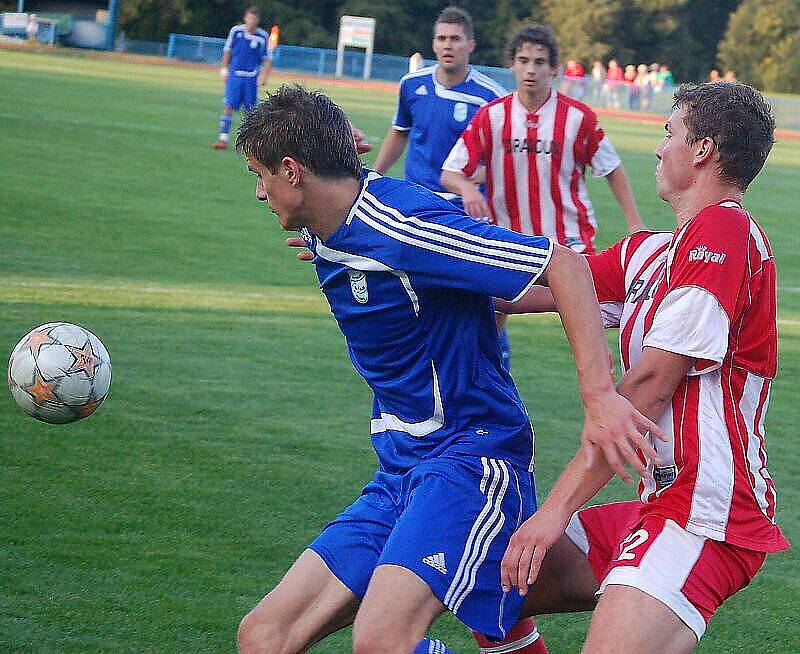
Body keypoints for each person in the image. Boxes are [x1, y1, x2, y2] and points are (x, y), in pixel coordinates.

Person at [233, 84, 661, 654]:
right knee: (263, 636)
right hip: (399, 473)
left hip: (472, 457)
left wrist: (599, 396)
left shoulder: (399, 225)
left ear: (292, 171)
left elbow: (562, 265)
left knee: (382, 639)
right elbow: (418, 262)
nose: (259, 192)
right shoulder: (328, 225)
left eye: (262, 175)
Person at [496, 82, 789, 653]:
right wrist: (390, 254)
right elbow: (524, 285)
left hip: (708, 516)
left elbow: (650, 387)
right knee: (489, 579)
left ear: (702, 150)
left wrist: (553, 511)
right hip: (662, 504)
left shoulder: (724, 229)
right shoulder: (650, 252)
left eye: (668, 134)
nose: (658, 149)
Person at [440, 25, 643, 369]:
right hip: (510, 238)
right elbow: (450, 171)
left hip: (569, 240)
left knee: (591, 336)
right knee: (488, 321)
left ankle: (611, 401)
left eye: (539, 61)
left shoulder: (577, 118)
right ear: (512, 65)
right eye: (523, 61)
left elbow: (612, 167)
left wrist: (634, 222)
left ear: (554, 69)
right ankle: (484, 397)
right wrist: (469, 188)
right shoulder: (493, 116)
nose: (531, 69)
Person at [373, 6, 505, 209]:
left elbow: (505, 159)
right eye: (442, 39)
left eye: (455, 39)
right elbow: (400, 131)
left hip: (464, 205)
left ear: (470, 45)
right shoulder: (411, 84)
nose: (448, 45)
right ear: (434, 44)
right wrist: (375, 176)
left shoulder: (491, 97)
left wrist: (470, 182)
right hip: (416, 198)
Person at [212, 5, 272, 150]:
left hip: (251, 77)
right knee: (228, 105)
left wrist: (264, 76)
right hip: (235, 75)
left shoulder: (262, 36)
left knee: (251, 110)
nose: (251, 21)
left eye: (254, 19)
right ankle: (223, 138)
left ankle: (252, 142)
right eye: (249, 18)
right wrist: (224, 69)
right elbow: (227, 51)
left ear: (257, 20)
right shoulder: (236, 31)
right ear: (245, 17)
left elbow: (268, 59)